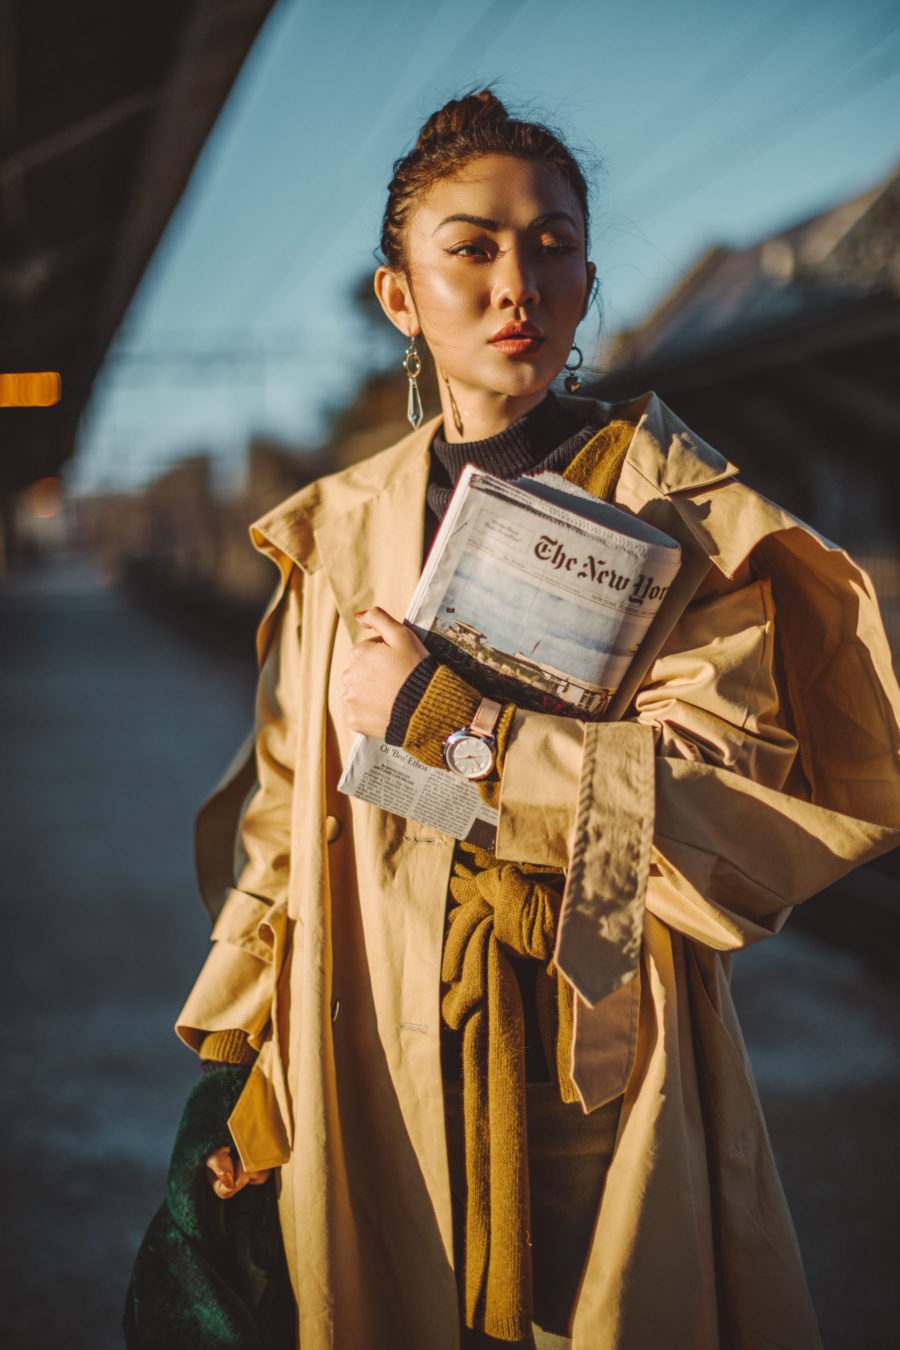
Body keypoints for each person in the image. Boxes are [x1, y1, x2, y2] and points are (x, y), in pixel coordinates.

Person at [154, 91, 900, 1349]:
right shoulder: (339, 533)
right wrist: (244, 1066)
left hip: (596, 1039)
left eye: (553, 245)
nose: (519, 282)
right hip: (369, 1036)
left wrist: (452, 725)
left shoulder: (680, 514)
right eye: (473, 246)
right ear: (401, 295)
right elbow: (290, 833)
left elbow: (726, 820)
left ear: (591, 276)